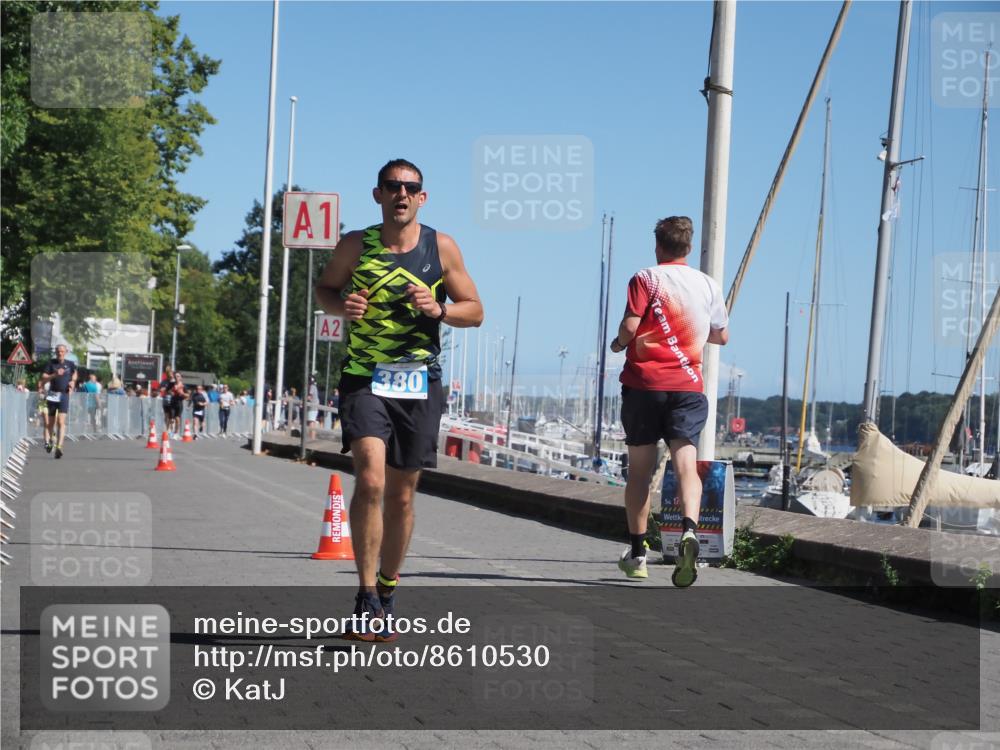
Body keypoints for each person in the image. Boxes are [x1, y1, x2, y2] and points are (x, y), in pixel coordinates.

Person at [315, 158, 483, 640]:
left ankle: (387, 589)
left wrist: (441, 309)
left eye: (410, 188)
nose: (401, 194)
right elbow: (325, 289)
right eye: (393, 186)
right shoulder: (355, 245)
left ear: (422, 198)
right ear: (378, 195)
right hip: (365, 377)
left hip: (418, 383)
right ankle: (366, 597)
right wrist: (341, 305)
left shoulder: (440, 247)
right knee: (369, 479)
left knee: (402, 495)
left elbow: (476, 310)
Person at [609, 216, 729, 587]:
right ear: (688, 248)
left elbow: (630, 327)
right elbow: (721, 336)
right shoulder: (708, 284)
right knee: (686, 466)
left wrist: (618, 344)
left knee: (641, 474)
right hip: (688, 387)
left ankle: (638, 554)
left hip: (645, 386)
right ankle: (690, 530)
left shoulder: (646, 278)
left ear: (658, 245)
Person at [40, 344, 78, 459]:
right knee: (50, 423)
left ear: (66, 352)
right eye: (58, 351)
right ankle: (51, 440)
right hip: (52, 394)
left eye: (62, 351)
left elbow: (75, 375)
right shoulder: (51, 363)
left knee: (61, 422)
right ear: (56, 352)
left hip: (64, 394)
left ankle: (59, 447)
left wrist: (73, 382)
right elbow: (43, 377)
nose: (60, 353)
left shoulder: (70, 364)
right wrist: (54, 374)